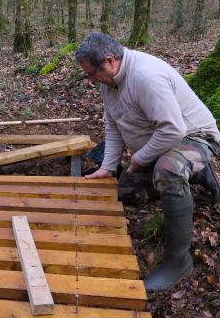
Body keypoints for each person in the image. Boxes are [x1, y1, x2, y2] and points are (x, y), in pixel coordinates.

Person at [76, 33, 220, 293]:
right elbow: (113, 126)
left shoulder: (145, 76)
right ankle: (198, 175)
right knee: (126, 191)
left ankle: (179, 261)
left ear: (110, 61)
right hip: (160, 144)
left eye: (91, 74)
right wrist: (108, 167)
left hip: (194, 136)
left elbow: (173, 130)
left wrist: (138, 161)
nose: (91, 80)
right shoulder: (108, 84)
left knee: (168, 170)